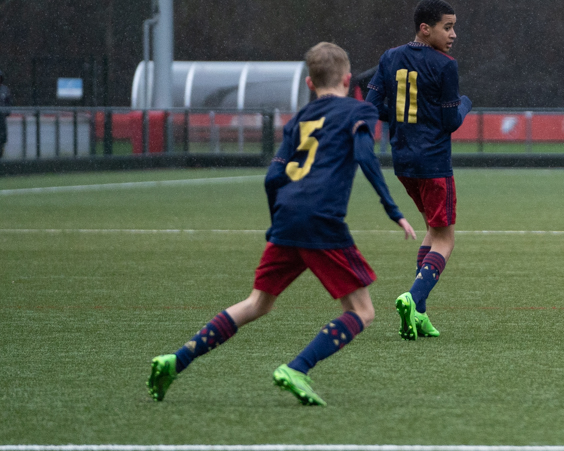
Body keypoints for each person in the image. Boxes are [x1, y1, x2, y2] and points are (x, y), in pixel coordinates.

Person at [147, 42, 417, 405]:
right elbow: (366, 156)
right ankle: (297, 368)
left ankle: (175, 360)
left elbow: (272, 177)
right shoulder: (360, 110)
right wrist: (392, 209)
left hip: (288, 215)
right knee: (362, 312)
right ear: (347, 79)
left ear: (309, 83)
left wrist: (277, 224)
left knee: (257, 303)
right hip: (321, 220)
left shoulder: (299, 120)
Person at [366, 0, 472, 341]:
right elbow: (450, 121)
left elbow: (372, 106)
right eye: (447, 27)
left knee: (432, 229)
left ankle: (420, 314)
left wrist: (402, 116)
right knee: (445, 238)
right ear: (425, 29)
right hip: (434, 163)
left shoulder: (389, 57)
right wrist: (466, 104)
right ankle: (414, 297)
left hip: (403, 162)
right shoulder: (445, 65)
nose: (453, 34)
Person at [0, 70, 11, 159]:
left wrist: (7, 111)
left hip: (2, 117)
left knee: (2, 136)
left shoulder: (5, 89)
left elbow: (8, 102)